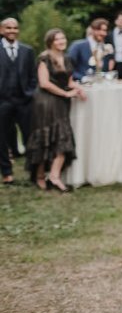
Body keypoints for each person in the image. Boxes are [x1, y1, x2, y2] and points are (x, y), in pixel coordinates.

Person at [25, 29, 84, 192]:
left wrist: (79, 89)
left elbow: (69, 81)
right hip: (45, 102)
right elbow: (44, 83)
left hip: (61, 102)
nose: (61, 41)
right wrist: (66, 93)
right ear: (50, 41)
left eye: (63, 38)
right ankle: (39, 176)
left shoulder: (66, 58)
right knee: (45, 138)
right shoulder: (44, 58)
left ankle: (54, 176)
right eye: (57, 39)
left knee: (62, 138)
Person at [1, 17, 37, 185]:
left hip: (24, 100)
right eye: (8, 28)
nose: (12, 31)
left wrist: (30, 93)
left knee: (30, 136)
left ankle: (34, 171)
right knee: (1, 138)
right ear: (1, 30)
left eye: (15, 28)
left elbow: (33, 75)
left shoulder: (27, 50)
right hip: (3, 101)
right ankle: (7, 172)